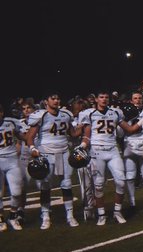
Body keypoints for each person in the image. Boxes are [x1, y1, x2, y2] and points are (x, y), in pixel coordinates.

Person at [24, 93, 79, 229]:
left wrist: (83, 127)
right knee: (45, 185)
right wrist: (32, 149)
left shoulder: (66, 114)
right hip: (47, 153)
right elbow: (30, 137)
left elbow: (72, 133)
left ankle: (70, 215)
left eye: (58, 98)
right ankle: (46, 216)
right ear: (46, 101)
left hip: (62, 153)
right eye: (53, 99)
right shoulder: (41, 115)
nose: (56, 101)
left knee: (66, 184)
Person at [77, 91, 128, 225]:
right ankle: (101, 214)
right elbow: (87, 134)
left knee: (122, 181)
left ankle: (117, 212)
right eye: (101, 97)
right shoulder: (89, 113)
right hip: (96, 151)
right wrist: (83, 145)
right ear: (96, 100)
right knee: (98, 185)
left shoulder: (116, 112)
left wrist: (141, 122)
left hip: (112, 150)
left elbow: (129, 129)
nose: (104, 99)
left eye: (106, 97)